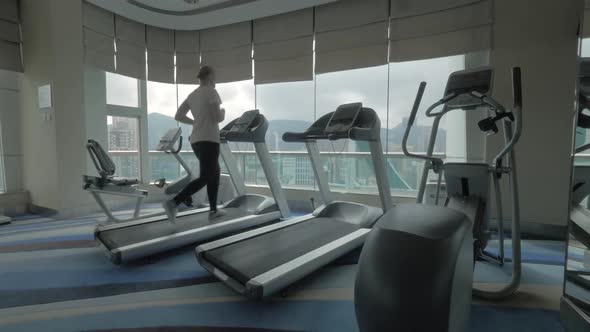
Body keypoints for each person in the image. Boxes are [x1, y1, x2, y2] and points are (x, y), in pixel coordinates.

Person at [163, 66, 225, 223]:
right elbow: (218, 118)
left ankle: (213, 210)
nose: (215, 79)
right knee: (207, 175)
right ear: (210, 76)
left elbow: (179, 115)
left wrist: (195, 122)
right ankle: (174, 203)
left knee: (214, 173)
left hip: (196, 140)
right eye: (214, 76)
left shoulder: (192, 95)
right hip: (209, 139)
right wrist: (223, 112)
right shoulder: (211, 91)